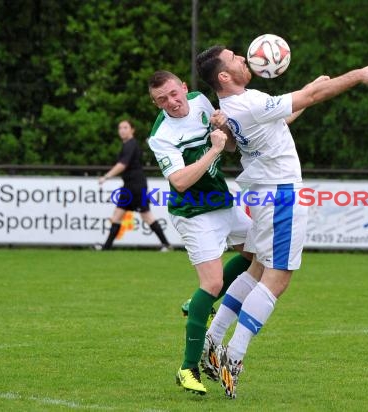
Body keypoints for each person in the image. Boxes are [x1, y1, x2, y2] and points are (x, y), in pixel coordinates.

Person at [196, 45, 368, 398]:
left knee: (257, 269)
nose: (244, 59)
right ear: (224, 76)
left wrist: (305, 93)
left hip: (262, 192)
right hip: (280, 194)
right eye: (235, 59)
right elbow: (314, 96)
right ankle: (234, 356)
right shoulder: (247, 104)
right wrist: (357, 75)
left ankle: (213, 340)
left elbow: (282, 119)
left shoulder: (238, 104)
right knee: (278, 277)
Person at [147, 70, 264, 396]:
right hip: (193, 214)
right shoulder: (161, 135)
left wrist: (223, 125)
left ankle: (196, 303)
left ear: (184, 87)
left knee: (257, 254)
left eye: (173, 93)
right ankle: (187, 368)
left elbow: (226, 146)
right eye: (162, 100)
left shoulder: (200, 101)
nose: (171, 102)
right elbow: (180, 181)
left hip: (220, 202)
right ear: (155, 103)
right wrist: (213, 149)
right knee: (211, 284)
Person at [97, 119, 171, 251]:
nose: (122, 130)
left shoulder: (131, 144)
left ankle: (166, 245)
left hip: (136, 186)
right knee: (117, 215)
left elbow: (122, 165)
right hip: (129, 186)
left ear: (132, 130)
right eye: (120, 128)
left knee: (146, 215)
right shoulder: (127, 145)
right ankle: (106, 248)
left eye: (125, 127)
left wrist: (106, 177)